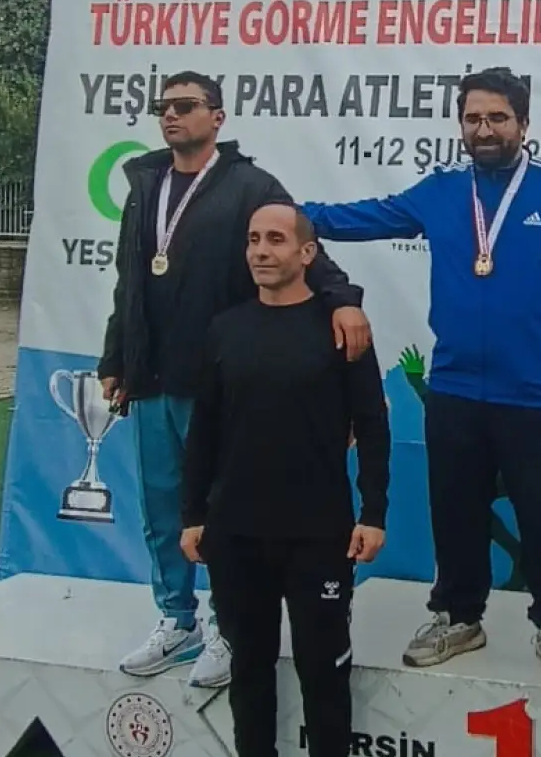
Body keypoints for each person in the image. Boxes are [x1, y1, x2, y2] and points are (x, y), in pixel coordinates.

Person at [303, 68, 541, 682]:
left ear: (523, 124)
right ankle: (458, 615)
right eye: (473, 118)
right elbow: (371, 216)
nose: (484, 129)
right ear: (460, 125)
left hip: (537, 390)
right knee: (455, 510)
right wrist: (291, 215)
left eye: (497, 117)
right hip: (453, 387)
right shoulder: (443, 189)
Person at [99, 72, 370, 686]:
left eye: (185, 105)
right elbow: (129, 280)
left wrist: (344, 301)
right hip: (152, 377)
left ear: (217, 117)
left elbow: (308, 254)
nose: (171, 115)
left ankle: (227, 626)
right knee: (162, 508)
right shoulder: (145, 183)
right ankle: (177, 619)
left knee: (220, 510)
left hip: (220, 381)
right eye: (163, 106)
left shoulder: (251, 185)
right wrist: (116, 357)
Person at [181, 203, 390, 757]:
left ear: (307, 253)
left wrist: (374, 513)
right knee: (248, 664)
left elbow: (374, 426)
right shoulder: (225, 329)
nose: (261, 250)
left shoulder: (342, 329)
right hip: (235, 533)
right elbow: (204, 430)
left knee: (323, 669)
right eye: (253, 240)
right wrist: (193, 514)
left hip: (319, 533)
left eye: (276, 239)